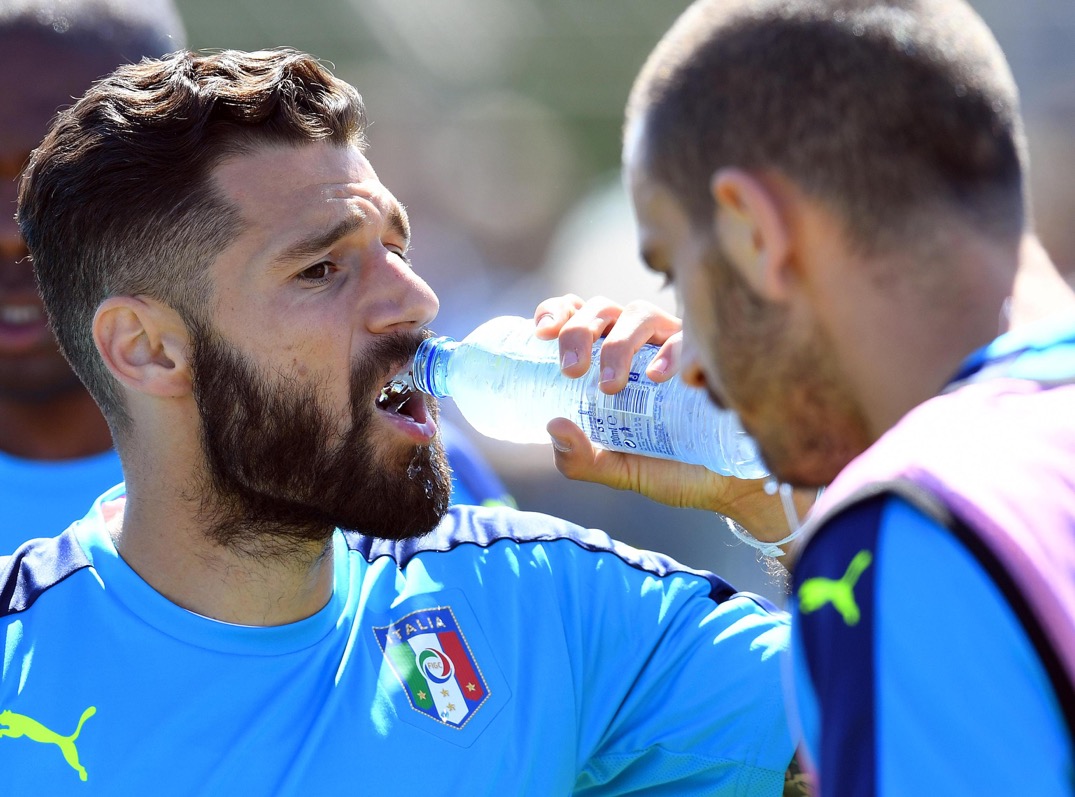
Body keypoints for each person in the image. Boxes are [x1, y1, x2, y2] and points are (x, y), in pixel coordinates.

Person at [1, 47, 797, 793]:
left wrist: (781, 502)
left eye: (397, 249)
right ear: (147, 349)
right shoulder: (18, 662)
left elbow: (867, 737)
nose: (416, 301)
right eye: (321, 269)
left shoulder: (539, 600)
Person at [543, 0, 1075, 794]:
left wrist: (853, 535)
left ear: (755, 232)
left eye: (672, 271)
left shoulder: (911, 525)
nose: (690, 360)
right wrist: (794, 516)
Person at [0, 0, 510, 548]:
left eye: (57, 179)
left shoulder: (395, 472)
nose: (11, 231)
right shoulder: (35, 596)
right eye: (318, 268)